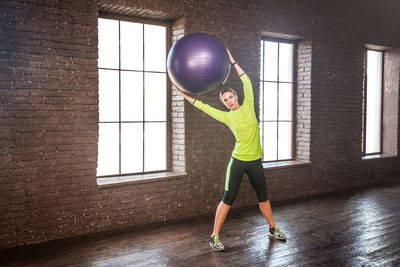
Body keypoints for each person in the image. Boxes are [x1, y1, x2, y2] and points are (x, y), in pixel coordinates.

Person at [173, 48, 286, 252]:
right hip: (238, 161)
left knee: (263, 197)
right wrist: (181, 92)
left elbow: (247, 81)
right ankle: (214, 236)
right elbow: (201, 106)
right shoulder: (226, 116)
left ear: (235, 96)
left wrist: (232, 61)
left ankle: (273, 228)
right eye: (225, 100)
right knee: (228, 198)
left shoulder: (249, 105)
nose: (228, 101)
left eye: (230, 97)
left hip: (255, 162)